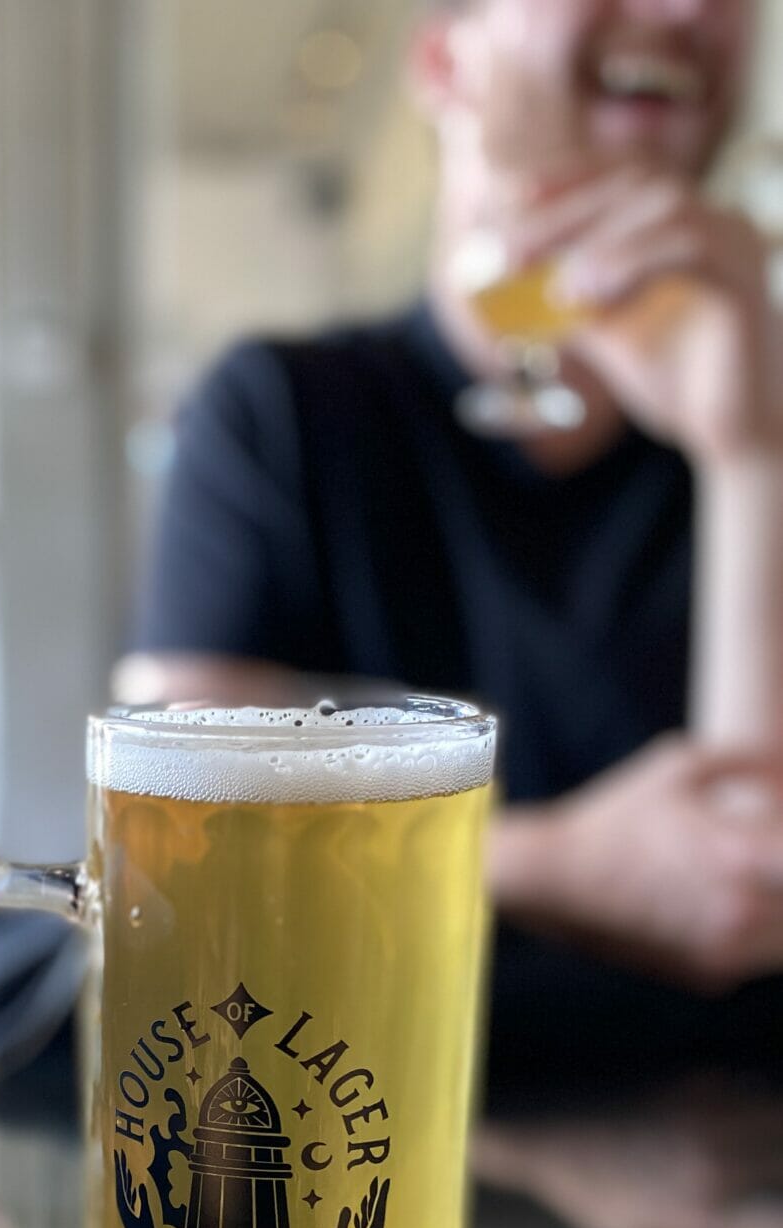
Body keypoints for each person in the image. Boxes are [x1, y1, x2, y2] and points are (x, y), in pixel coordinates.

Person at [132, 0, 783, 1051]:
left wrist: (752, 454)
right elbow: (177, 848)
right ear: (445, 61)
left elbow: (752, 888)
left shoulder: (757, 430)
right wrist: (556, 864)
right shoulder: (283, 416)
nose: (687, 8)